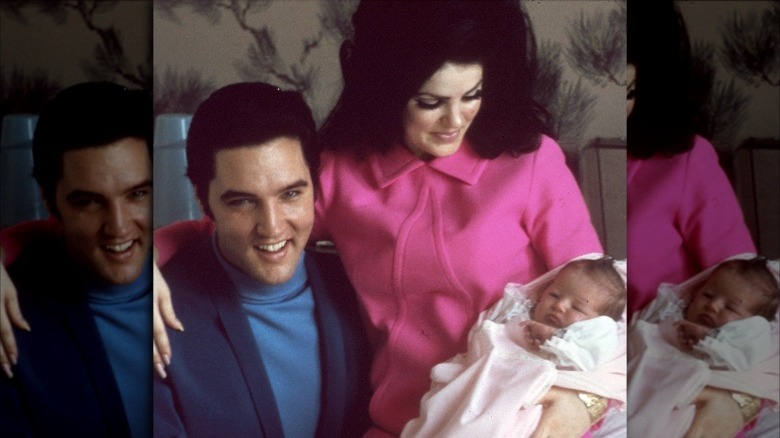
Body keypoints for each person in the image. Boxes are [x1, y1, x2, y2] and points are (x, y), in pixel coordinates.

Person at [2, 1, 622, 436]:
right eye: (429, 101)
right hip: (403, 423)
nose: (455, 122)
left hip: (535, 410)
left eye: (473, 96)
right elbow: (245, 220)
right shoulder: (343, 174)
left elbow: (602, 310)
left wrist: (571, 412)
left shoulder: (532, 163)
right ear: (386, 89)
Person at [152, 82, 371, 437]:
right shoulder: (157, 312)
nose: (271, 227)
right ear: (203, 199)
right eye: (242, 201)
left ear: (315, 186)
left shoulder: (357, 285)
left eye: (290, 194)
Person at [625, 1, 777, 436]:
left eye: (631, 91)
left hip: (681, 358)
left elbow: (748, 293)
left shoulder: (686, 161)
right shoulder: (554, 165)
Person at [0, 82, 152, 437]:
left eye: (137, 194)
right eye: (89, 202)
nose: (118, 227)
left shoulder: (198, 277)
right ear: (50, 200)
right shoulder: (12, 321)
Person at [402, 255, 627, 437]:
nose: (559, 306)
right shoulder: (517, 320)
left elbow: (583, 361)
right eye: (554, 295)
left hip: (530, 407)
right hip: (484, 389)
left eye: (577, 308)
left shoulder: (588, 343)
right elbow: (489, 342)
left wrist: (553, 339)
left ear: (598, 325)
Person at [628, 256, 779, 437]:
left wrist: (706, 338)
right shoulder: (672, 314)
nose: (712, 306)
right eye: (707, 295)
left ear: (752, 323)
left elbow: (737, 359)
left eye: (730, 308)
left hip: (688, 401)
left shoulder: (747, 336)